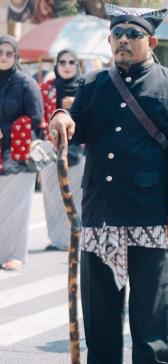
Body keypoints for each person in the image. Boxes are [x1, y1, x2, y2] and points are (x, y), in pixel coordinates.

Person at [49, 4, 168, 364]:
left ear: (150, 41)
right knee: (99, 293)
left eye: (133, 35)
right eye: (118, 35)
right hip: (102, 204)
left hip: (150, 207)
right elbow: (77, 127)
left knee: (152, 293)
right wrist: (62, 118)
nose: (125, 41)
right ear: (109, 40)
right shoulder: (93, 83)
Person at [0, 34, 43, 271]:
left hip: (18, 154)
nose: (4, 57)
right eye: (0, 52)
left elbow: (36, 117)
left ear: (16, 56)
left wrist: (4, 131)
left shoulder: (26, 83)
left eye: (9, 53)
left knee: (17, 207)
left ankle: (15, 254)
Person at [40, 49, 84, 251]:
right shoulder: (46, 88)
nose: (66, 66)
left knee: (78, 196)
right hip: (51, 149)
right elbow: (37, 115)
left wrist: (74, 105)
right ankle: (58, 239)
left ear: (78, 65)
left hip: (81, 150)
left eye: (71, 62)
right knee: (53, 197)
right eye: (62, 62)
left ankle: (78, 236)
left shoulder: (86, 88)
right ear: (56, 66)